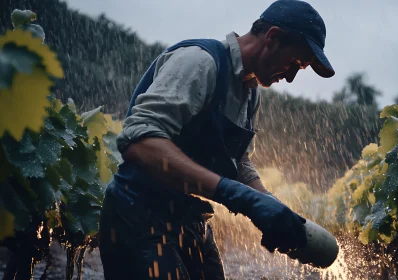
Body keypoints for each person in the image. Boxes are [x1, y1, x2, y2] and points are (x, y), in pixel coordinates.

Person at [98, 0, 335, 279]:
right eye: (295, 63)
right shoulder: (200, 62)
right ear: (272, 37)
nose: (293, 77)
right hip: (136, 215)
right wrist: (234, 194)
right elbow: (140, 141)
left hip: (189, 220)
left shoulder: (250, 94)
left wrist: (272, 207)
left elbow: (239, 162)